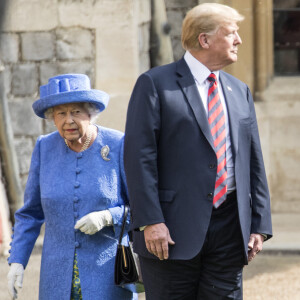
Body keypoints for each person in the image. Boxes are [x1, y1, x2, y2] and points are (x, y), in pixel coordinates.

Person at [124, 3, 272, 300]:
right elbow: (139, 159)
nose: (239, 40)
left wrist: (259, 223)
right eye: (231, 33)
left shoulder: (239, 90)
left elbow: (253, 161)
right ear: (204, 40)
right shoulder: (154, 84)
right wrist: (151, 221)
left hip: (230, 231)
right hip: (170, 233)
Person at [7, 74, 136, 300]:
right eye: (61, 113)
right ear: (52, 118)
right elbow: (31, 214)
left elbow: (141, 207)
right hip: (56, 277)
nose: (69, 120)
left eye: (76, 111)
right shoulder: (44, 148)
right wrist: (17, 260)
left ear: (90, 112)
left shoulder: (117, 144)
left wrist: (108, 216)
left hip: (108, 276)